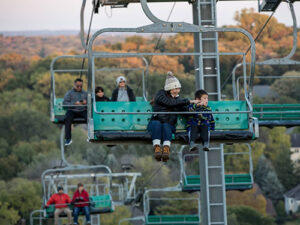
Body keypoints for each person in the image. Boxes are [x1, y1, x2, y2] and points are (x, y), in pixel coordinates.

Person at [147, 71, 200, 162]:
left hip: (169, 124)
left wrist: (195, 110)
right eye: (174, 89)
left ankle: (166, 149)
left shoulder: (178, 100)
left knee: (166, 125)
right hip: (157, 120)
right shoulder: (160, 95)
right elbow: (170, 103)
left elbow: (184, 110)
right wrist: (189, 101)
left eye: (178, 89)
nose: (176, 91)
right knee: (157, 124)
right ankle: (157, 148)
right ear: (169, 89)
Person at [63, 78, 87, 146]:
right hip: (72, 110)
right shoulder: (69, 93)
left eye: (81, 86)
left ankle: (91, 135)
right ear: (74, 85)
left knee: (90, 117)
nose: (79, 88)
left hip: (82, 110)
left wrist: (86, 102)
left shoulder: (85, 93)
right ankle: (68, 139)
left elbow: (90, 102)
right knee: (67, 119)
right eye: (77, 86)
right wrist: (74, 104)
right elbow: (65, 103)